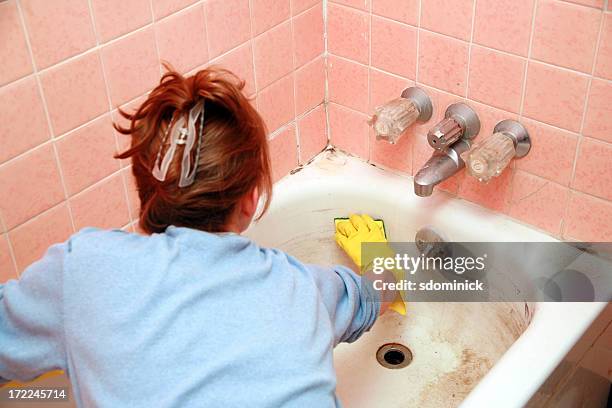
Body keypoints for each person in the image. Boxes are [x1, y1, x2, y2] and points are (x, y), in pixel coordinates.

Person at [0, 67, 394, 407]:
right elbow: (374, 293)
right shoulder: (299, 289)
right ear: (251, 199)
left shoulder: (83, 272)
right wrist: (380, 258)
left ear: (145, 189)